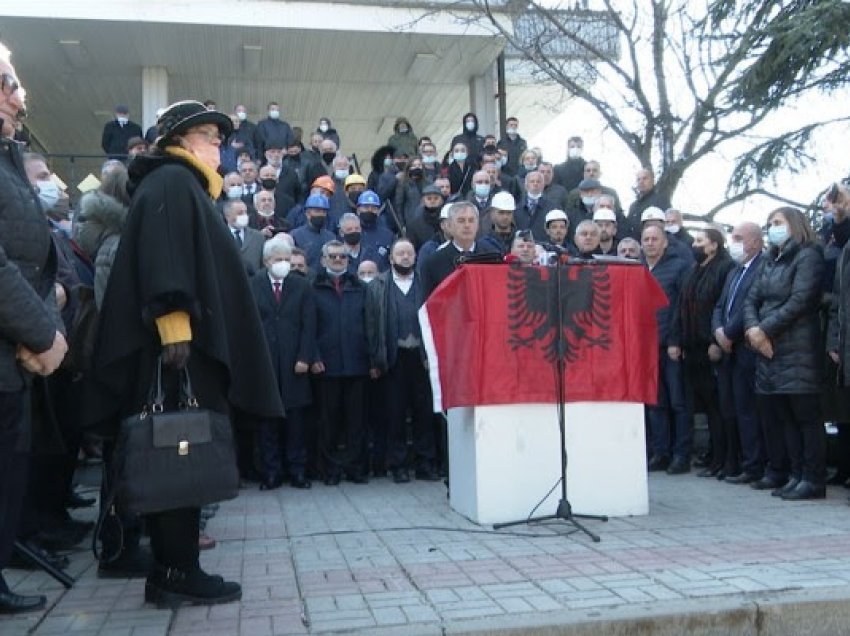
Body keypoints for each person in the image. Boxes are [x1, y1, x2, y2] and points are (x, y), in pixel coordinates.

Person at [89, 100, 283, 607]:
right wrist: (174, 325)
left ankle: (173, 569)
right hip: (176, 353)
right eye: (211, 137)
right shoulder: (172, 182)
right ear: (182, 140)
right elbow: (164, 256)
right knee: (178, 453)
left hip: (185, 348)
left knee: (184, 455)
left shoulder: (181, 185)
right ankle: (176, 572)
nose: (221, 146)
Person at [0, 44, 69, 614]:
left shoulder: (7, 160)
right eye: (6, 83)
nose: (20, 96)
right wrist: (43, 332)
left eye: (17, 84)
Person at [744, 207, 826, 500]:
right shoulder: (768, 259)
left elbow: (801, 300)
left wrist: (763, 330)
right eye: (769, 223)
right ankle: (795, 474)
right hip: (769, 351)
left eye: (777, 222)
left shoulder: (808, 255)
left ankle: (813, 478)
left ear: (794, 224)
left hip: (797, 348)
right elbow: (751, 299)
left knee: (805, 416)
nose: (772, 228)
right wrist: (754, 329)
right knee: (785, 417)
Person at [365, 238, 440, 483]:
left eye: (409, 253)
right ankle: (397, 465)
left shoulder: (425, 283)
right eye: (401, 253)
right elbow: (371, 326)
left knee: (424, 414)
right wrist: (376, 359)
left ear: (415, 257)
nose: (405, 257)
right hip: (394, 358)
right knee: (395, 414)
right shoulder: (377, 285)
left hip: (421, 358)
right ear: (391, 258)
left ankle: (424, 463)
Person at [250, 239, 315, 490]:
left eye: (286, 259)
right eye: (278, 260)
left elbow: (309, 325)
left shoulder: (301, 286)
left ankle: (297, 470)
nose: (283, 264)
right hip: (266, 364)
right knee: (267, 422)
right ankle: (271, 472)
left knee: (296, 421)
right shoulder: (254, 285)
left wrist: (305, 357)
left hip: (294, 363)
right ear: (267, 262)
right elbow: (250, 325)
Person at [671, 228, 735, 479]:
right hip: (692, 347)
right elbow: (681, 305)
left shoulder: (724, 268)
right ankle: (713, 455)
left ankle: (724, 458)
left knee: (718, 407)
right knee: (704, 407)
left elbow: (720, 306)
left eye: (700, 241)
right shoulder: (694, 270)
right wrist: (676, 340)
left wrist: (714, 341)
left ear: (714, 246)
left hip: (710, 346)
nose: (694, 245)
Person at [311, 241, 370, 485]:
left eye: (342, 257)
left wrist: (372, 358)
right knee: (329, 422)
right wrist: (313, 356)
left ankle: (355, 468)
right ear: (323, 260)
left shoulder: (360, 288)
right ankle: (330, 470)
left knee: (356, 422)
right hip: (327, 365)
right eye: (332, 257)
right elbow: (309, 328)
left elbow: (370, 324)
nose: (338, 260)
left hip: (357, 364)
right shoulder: (313, 288)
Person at [713, 222, 766, 485]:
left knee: (749, 410)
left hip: (746, 349)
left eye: (739, 238)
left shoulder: (761, 267)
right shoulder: (735, 272)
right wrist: (718, 331)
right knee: (735, 409)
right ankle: (745, 463)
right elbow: (720, 305)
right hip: (728, 349)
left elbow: (750, 305)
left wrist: (729, 334)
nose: (733, 243)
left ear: (756, 242)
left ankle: (755, 464)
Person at [642, 224, 692, 475]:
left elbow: (681, 307)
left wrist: (676, 340)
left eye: (654, 239)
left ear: (665, 243)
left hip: (670, 345)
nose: (650, 243)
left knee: (679, 402)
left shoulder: (679, 267)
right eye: (646, 239)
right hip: (647, 347)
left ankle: (681, 454)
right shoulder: (638, 268)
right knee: (655, 402)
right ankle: (660, 452)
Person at [420, 201, 498, 299]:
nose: (467, 225)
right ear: (449, 226)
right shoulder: (434, 263)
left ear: (478, 225)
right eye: (461, 221)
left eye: (471, 220)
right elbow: (427, 305)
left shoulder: (492, 258)